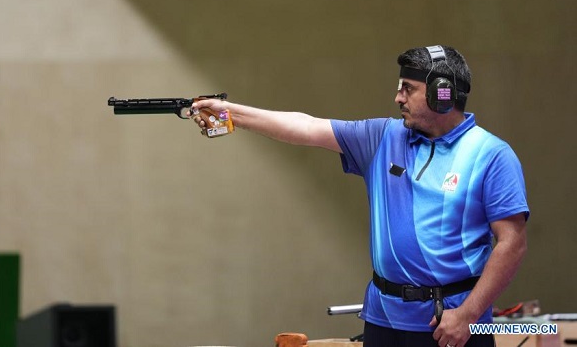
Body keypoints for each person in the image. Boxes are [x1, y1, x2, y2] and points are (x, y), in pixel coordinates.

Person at [191, 45, 529, 347]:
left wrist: (469, 315)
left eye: (408, 89)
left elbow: (511, 243)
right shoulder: (382, 136)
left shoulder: (492, 155)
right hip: (383, 319)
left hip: (449, 325)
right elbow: (304, 127)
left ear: (443, 94)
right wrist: (228, 113)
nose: (398, 98)